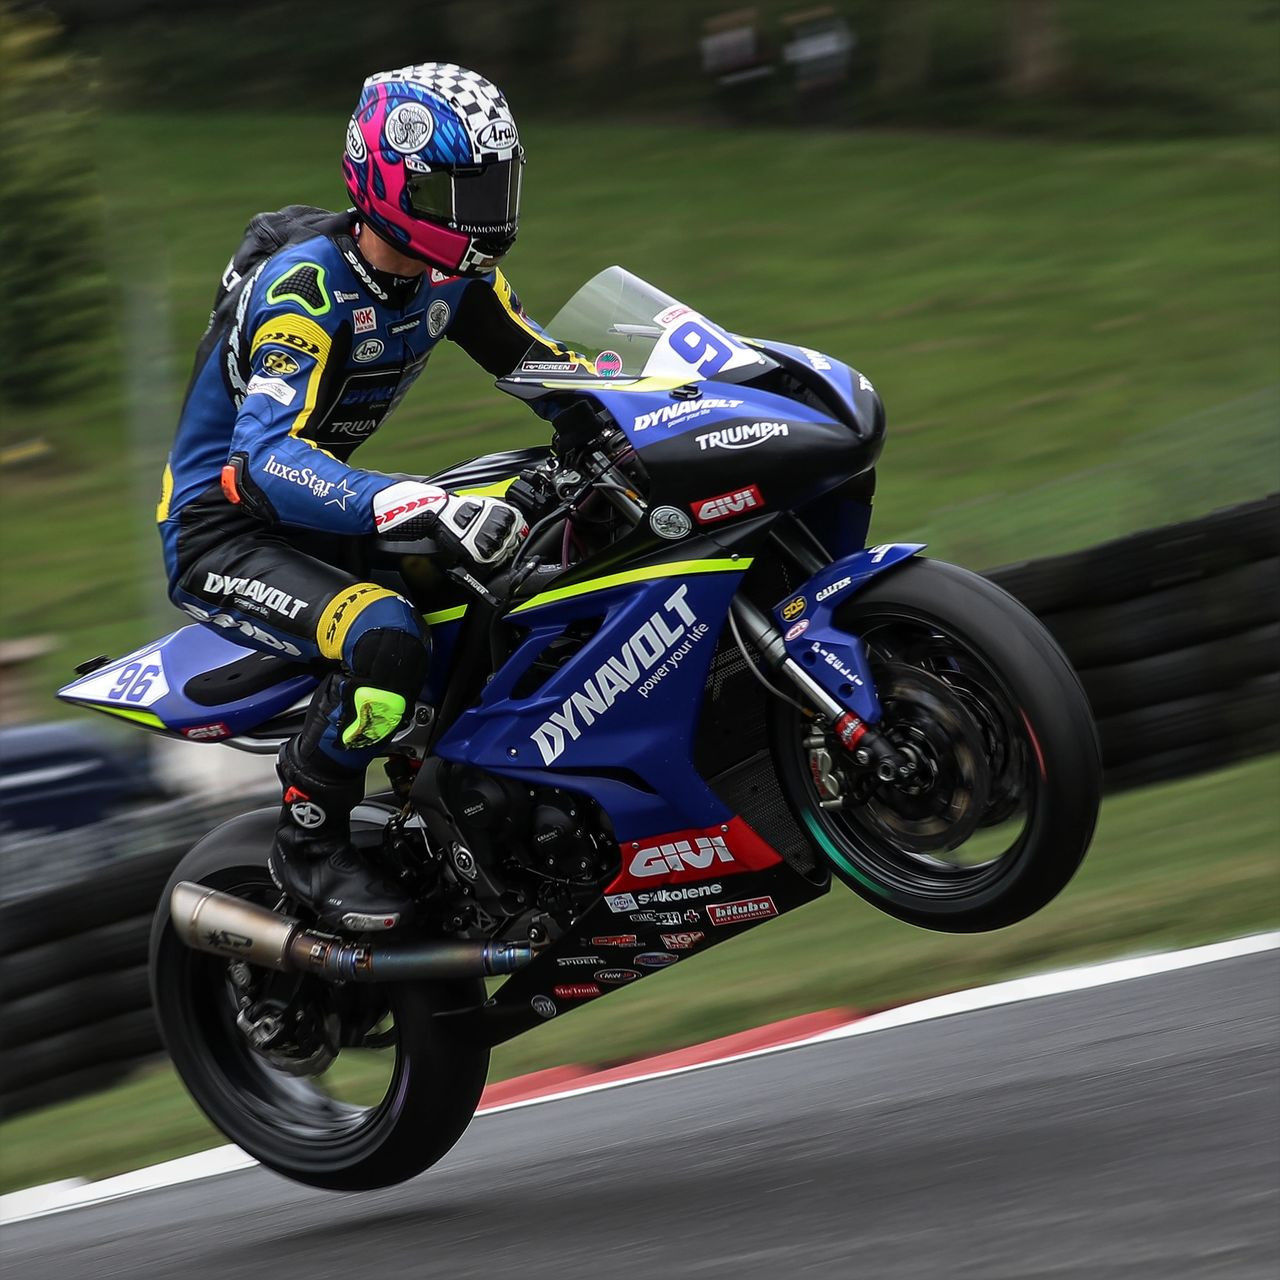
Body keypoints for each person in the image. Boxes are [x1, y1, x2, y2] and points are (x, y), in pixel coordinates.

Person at [157, 64, 572, 931]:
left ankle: (457, 801)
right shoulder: (304, 293)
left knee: (525, 552)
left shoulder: (456, 279)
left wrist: (669, 407)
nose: (483, 213)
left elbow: (550, 372)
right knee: (385, 637)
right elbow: (265, 459)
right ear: (391, 183)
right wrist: (407, 503)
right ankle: (308, 842)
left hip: (315, 513)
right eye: (457, 190)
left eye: (494, 186)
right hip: (226, 529)